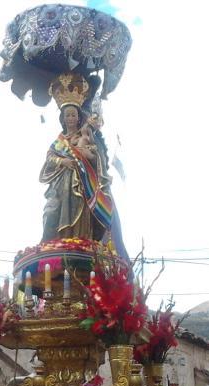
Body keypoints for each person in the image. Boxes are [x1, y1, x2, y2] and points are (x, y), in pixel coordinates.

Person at [40, 72, 126, 259]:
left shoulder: (84, 137)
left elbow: (96, 158)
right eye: (67, 115)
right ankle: (55, 242)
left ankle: (79, 241)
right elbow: (49, 158)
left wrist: (86, 154)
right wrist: (63, 161)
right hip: (60, 184)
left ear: (78, 117)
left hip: (81, 183)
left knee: (80, 209)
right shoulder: (59, 141)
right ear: (63, 118)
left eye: (73, 115)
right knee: (51, 211)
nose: (70, 118)